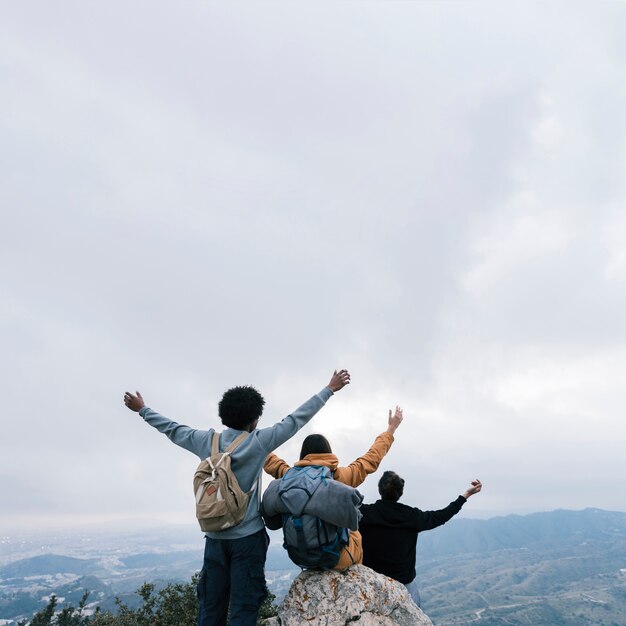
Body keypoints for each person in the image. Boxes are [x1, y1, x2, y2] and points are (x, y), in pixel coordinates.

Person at [123, 368, 351, 626]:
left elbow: (173, 429)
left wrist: (142, 409)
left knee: (211, 607)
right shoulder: (258, 442)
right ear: (254, 420)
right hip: (248, 540)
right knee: (244, 607)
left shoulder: (205, 441)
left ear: (224, 415)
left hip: (214, 538)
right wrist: (329, 389)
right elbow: (295, 419)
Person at [263, 406, 404, 570]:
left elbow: (272, 462)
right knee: (355, 534)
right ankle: (354, 579)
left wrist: (251, 438)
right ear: (328, 453)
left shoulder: (289, 478)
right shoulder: (338, 478)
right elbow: (371, 458)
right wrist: (391, 429)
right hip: (334, 558)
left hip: (298, 555)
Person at [359, 471, 482, 606]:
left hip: (372, 582)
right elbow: (441, 515)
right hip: (404, 585)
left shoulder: (365, 513)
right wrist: (466, 495)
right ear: (401, 493)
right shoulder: (412, 516)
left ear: (379, 489)